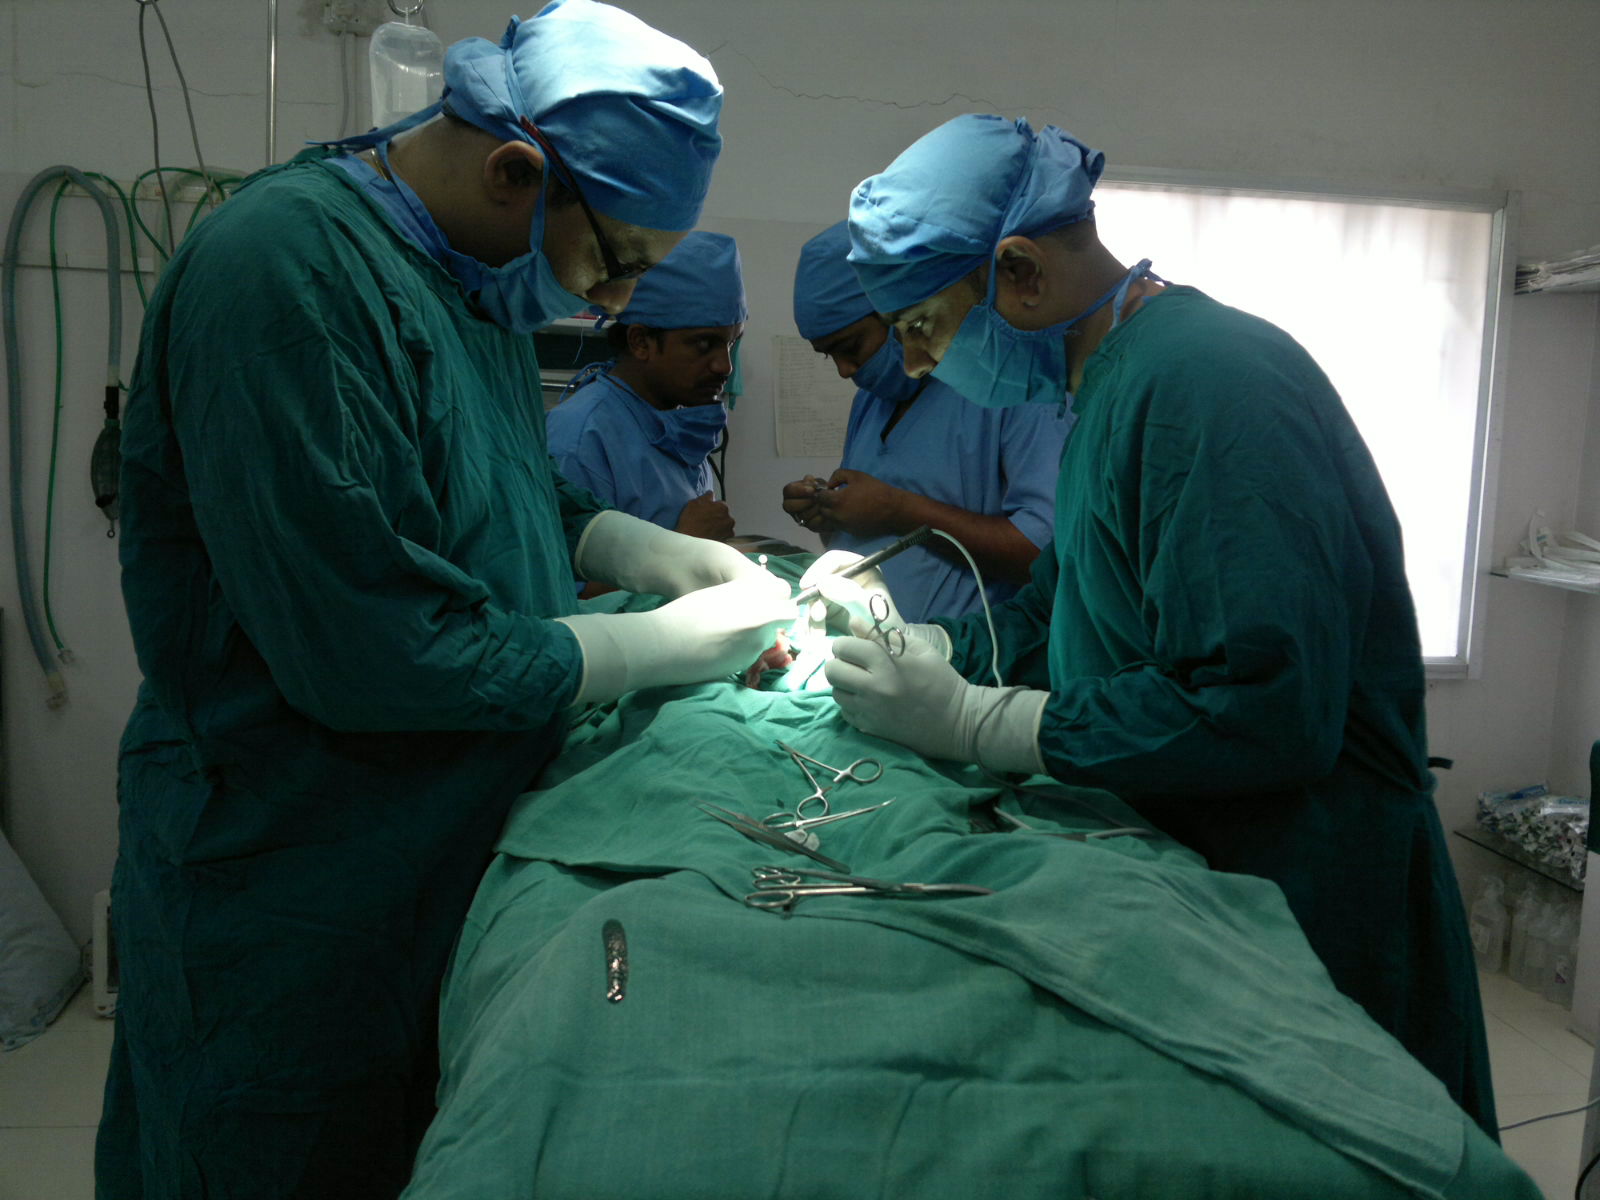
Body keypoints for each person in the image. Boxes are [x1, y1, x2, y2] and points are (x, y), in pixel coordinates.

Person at [97, 5, 793, 1198]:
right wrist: (651, 649)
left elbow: (491, 476)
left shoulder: (470, 281)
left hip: (433, 842)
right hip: (292, 872)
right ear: (515, 170)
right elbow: (375, 652)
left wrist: (627, 546)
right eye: (614, 262)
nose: (612, 304)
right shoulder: (283, 274)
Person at [820, 113, 1497, 1136]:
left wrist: (975, 722)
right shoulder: (1103, 389)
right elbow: (1064, 606)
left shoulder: (1211, 384)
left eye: (922, 325)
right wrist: (930, 649)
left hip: (1309, 894)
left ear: (1018, 271)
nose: (914, 364)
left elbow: (1262, 709)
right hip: (1204, 872)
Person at [782, 221, 1069, 622]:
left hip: (967, 653)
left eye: (850, 347)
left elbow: (1043, 555)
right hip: (870, 644)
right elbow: (875, 542)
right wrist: (829, 513)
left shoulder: (1013, 387)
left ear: (898, 311)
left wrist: (898, 510)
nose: (845, 370)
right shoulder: (872, 401)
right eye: (829, 355)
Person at [547, 231, 745, 540]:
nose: (725, 366)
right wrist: (684, 543)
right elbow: (563, 569)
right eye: (705, 344)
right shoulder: (581, 439)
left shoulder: (678, 427)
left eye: (731, 343)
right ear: (641, 342)